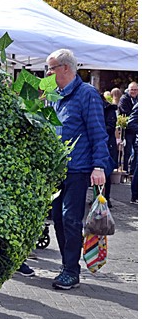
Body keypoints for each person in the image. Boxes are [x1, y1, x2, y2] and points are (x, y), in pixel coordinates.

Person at [46, 49, 111, 290]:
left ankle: (71, 271)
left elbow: (97, 132)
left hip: (79, 168)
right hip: (58, 170)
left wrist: (98, 165)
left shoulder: (87, 95)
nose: (48, 73)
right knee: (59, 220)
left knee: (70, 219)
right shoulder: (55, 96)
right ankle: (67, 265)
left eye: (51, 68)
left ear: (65, 68)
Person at [103, 87, 120, 207]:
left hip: (107, 144)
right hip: (105, 143)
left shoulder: (109, 109)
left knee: (107, 172)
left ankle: (106, 197)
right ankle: (100, 197)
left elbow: (110, 127)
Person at [121, 81, 138, 202]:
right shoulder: (132, 102)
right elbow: (131, 122)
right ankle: (135, 195)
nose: (134, 92)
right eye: (132, 89)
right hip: (131, 134)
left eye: (136, 90)